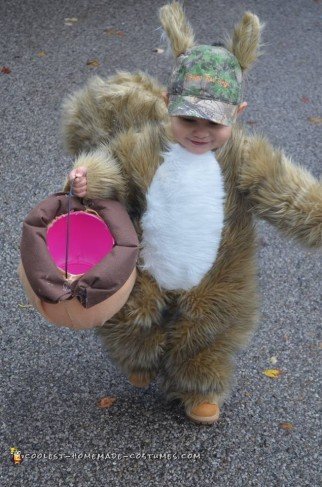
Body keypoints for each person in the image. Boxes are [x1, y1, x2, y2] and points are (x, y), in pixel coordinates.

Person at [63, 2, 322, 425]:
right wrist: (91, 177)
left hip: (216, 275)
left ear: (238, 114)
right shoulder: (144, 143)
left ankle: (200, 388)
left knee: (207, 335)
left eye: (215, 123)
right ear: (168, 104)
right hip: (145, 266)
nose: (201, 132)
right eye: (188, 119)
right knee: (131, 318)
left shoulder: (246, 155)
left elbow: (287, 191)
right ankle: (141, 360)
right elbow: (114, 168)